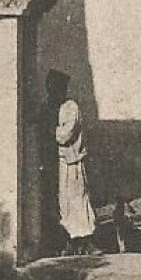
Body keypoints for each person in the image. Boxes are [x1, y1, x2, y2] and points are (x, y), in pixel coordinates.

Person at [46, 69, 98, 256]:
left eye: (56, 88)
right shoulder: (52, 107)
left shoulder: (71, 107)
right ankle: (71, 240)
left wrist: (50, 128)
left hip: (73, 162)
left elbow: (64, 135)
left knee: (78, 200)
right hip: (59, 163)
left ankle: (86, 241)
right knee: (64, 203)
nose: (52, 93)